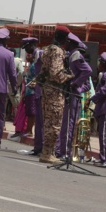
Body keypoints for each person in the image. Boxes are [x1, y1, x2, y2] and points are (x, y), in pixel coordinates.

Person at [38, 26, 72, 163]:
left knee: (48, 122)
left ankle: (47, 152)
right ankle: (47, 153)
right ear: (64, 38)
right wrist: (69, 76)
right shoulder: (57, 51)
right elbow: (56, 74)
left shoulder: (47, 49)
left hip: (47, 89)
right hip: (55, 90)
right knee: (54, 122)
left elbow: (44, 71)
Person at [56, 34, 93, 159]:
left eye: (66, 41)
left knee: (68, 124)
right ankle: (61, 151)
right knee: (65, 123)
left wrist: (75, 84)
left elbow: (88, 70)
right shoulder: (70, 54)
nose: (64, 43)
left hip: (72, 94)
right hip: (68, 92)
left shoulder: (76, 54)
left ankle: (66, 152)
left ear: (71, 42)